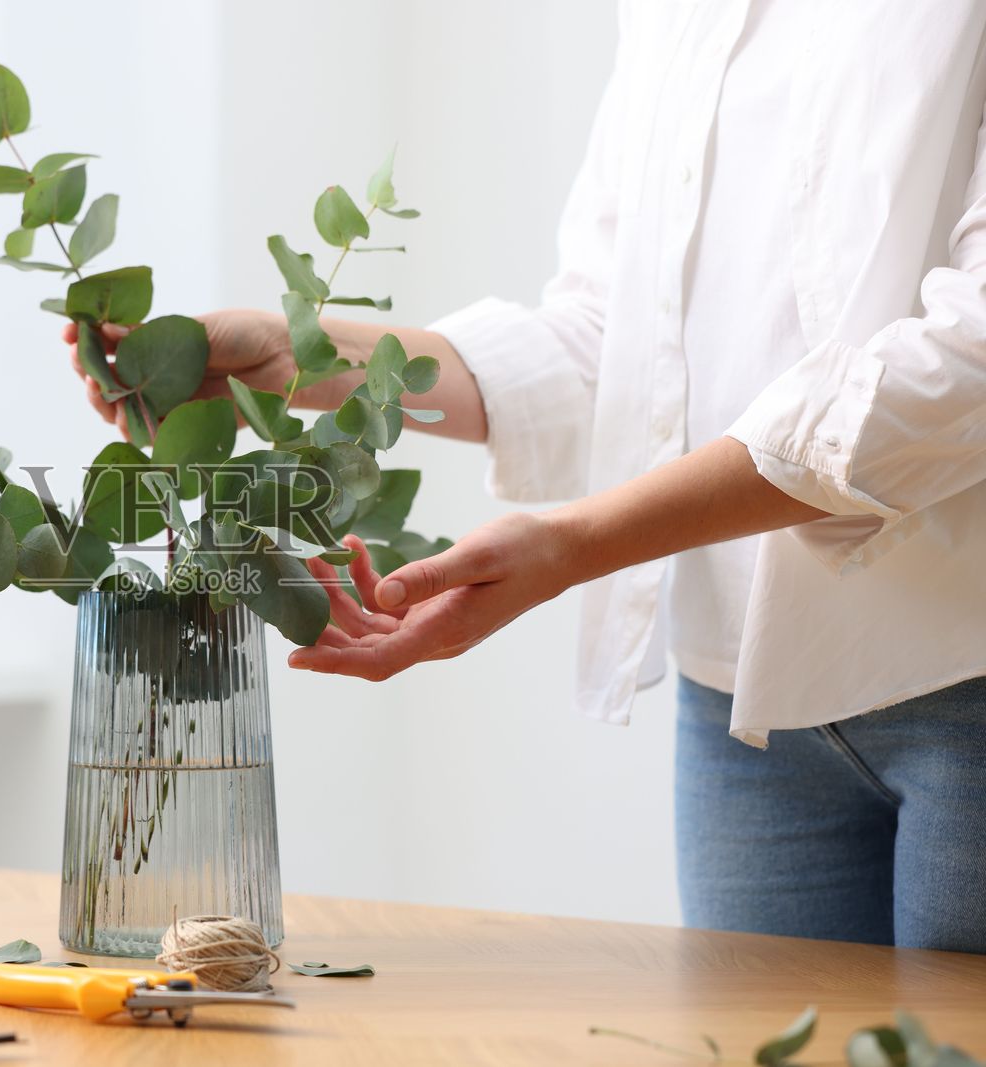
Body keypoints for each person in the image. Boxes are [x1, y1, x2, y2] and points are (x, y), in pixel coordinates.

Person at [68, 2, 986, 953]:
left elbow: (967, 362)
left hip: (963, 679)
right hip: (741, 702)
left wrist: (577, 542)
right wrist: (299, 361)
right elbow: (610, 344)